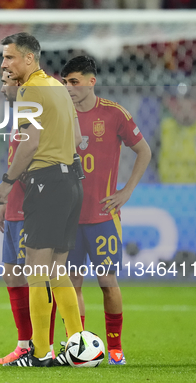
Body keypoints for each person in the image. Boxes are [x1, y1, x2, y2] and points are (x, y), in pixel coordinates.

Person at [0, 32, 83, 367]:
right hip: (70, 182)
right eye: (3, 58)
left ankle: (41, 352)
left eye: (10, 57)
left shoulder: (31, 89)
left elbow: (29, 143)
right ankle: (78, 346)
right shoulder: (58, 87)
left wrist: (7, 183)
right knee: (58, 272)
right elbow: (77, 138)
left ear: (30, 58)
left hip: (45, 183)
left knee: (37, 273)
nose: (4, 64)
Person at [61, 55, 152, 365]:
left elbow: (144, 150)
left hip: (103, 217)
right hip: (68, 217)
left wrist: (126, 191)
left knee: (107, 283)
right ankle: (78, 346)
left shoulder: (114, 114)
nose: (69, 88)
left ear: (91, 81)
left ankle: (114, 348)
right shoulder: (62, 115)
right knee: (71, 285)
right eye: (65, 83)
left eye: (74, 82)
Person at [0, 71, 57, 365]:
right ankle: (24, 344)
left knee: (37, 275)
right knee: (12, 272)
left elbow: (34, 154)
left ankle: (44, 345)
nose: (1, 86)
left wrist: (11, 188)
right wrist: (8, 201)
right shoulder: (18, 115)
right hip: (16, 202)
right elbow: (14, 157)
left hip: (35, 202)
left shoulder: (32, 111)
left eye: (5, 81)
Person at [157, 89, 196, 184]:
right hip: (170, 184)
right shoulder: (165, 128)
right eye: (181, 108)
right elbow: (152, 156)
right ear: (175, 108)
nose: (186, 113)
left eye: (190, 108)